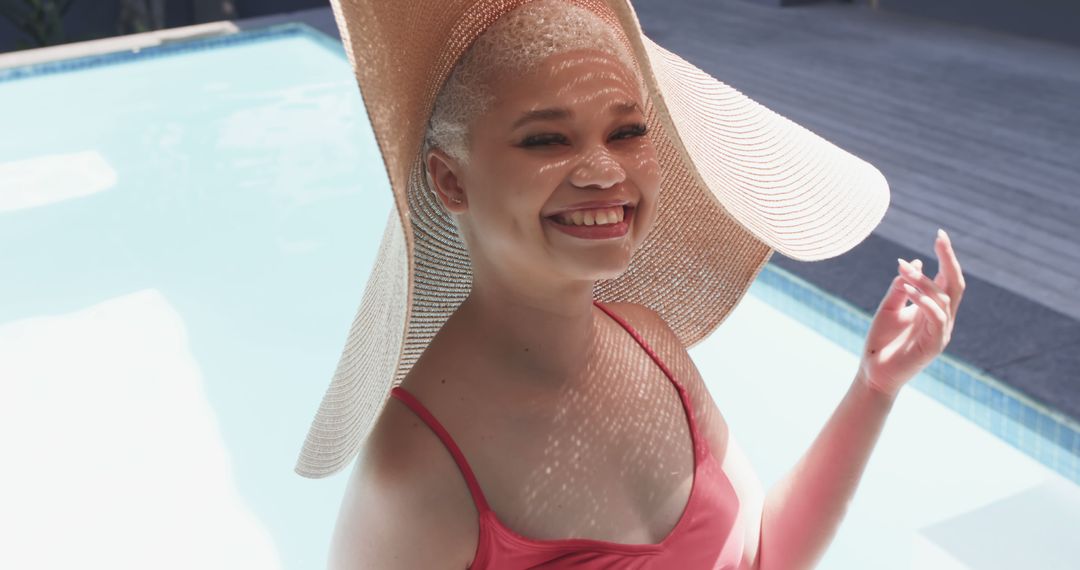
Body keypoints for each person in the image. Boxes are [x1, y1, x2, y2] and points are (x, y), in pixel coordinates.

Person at [302, 1, 966, 568]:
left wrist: (875, 387)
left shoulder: (651, 344)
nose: (602, 172)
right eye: (545, 140)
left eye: (627, 131)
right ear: (450, 180)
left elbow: (762, 553)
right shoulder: (417, 471)